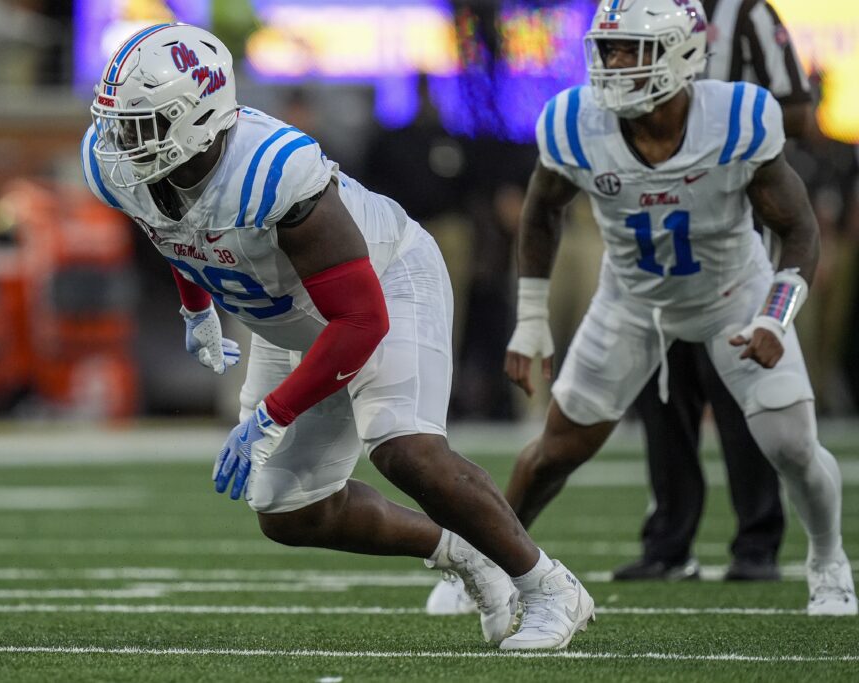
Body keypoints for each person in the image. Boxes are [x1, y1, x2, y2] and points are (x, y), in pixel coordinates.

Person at [81, 23, 594, 650]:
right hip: (289, 309)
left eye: (144, 124)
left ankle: (550, 587)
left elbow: (362, 321)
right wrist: (197, 310)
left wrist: (273, 412)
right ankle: (463, 552)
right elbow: (174, 232)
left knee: (404, 449)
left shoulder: (273, 169)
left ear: (200, 117)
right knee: (287, 509)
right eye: (120, 122)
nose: (122, 141)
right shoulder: (122, 167)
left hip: (385, 283)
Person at [501, 0, 854, 616]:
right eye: (605, 50)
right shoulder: (574, 123)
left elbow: (799, 230)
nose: (610, 66)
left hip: (733, 296)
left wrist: (775, 314)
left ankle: (828, 559)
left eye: (627, 51)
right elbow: (541, 209)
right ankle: (485, 561)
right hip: (631, 301)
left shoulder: (737, 118)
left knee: (793, 446)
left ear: (681, 54)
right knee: (556, 450)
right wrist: (531, 319)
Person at [614, 0, 815, 583]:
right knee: (663, 386)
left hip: (727, 223)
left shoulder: (746, 11)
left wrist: (715, 119)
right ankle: (669, 543)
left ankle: (757, 543)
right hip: (655, 228)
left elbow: (800, 109)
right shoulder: (634, 10)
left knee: (737, 386)